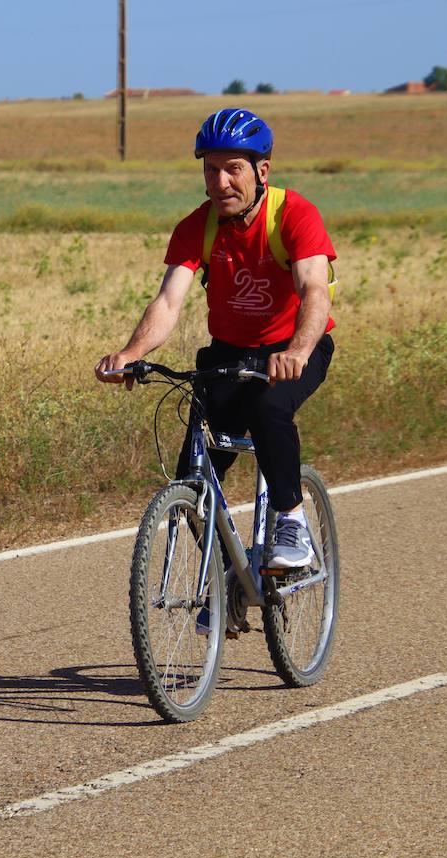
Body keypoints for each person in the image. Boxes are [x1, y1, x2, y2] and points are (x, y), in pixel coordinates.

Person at [96, 107, 336, 570]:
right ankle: (232, 578)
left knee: (268, 409)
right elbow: (168, 304)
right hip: (228, 353)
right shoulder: (197, 227)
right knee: (195, 480)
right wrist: (130, 353)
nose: (221, 181)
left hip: (293, 348)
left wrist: (298, 351)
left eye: (233, 169)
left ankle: (292, 522)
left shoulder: (294, 215)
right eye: (211, 169)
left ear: (261, 171)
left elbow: (314, 291)